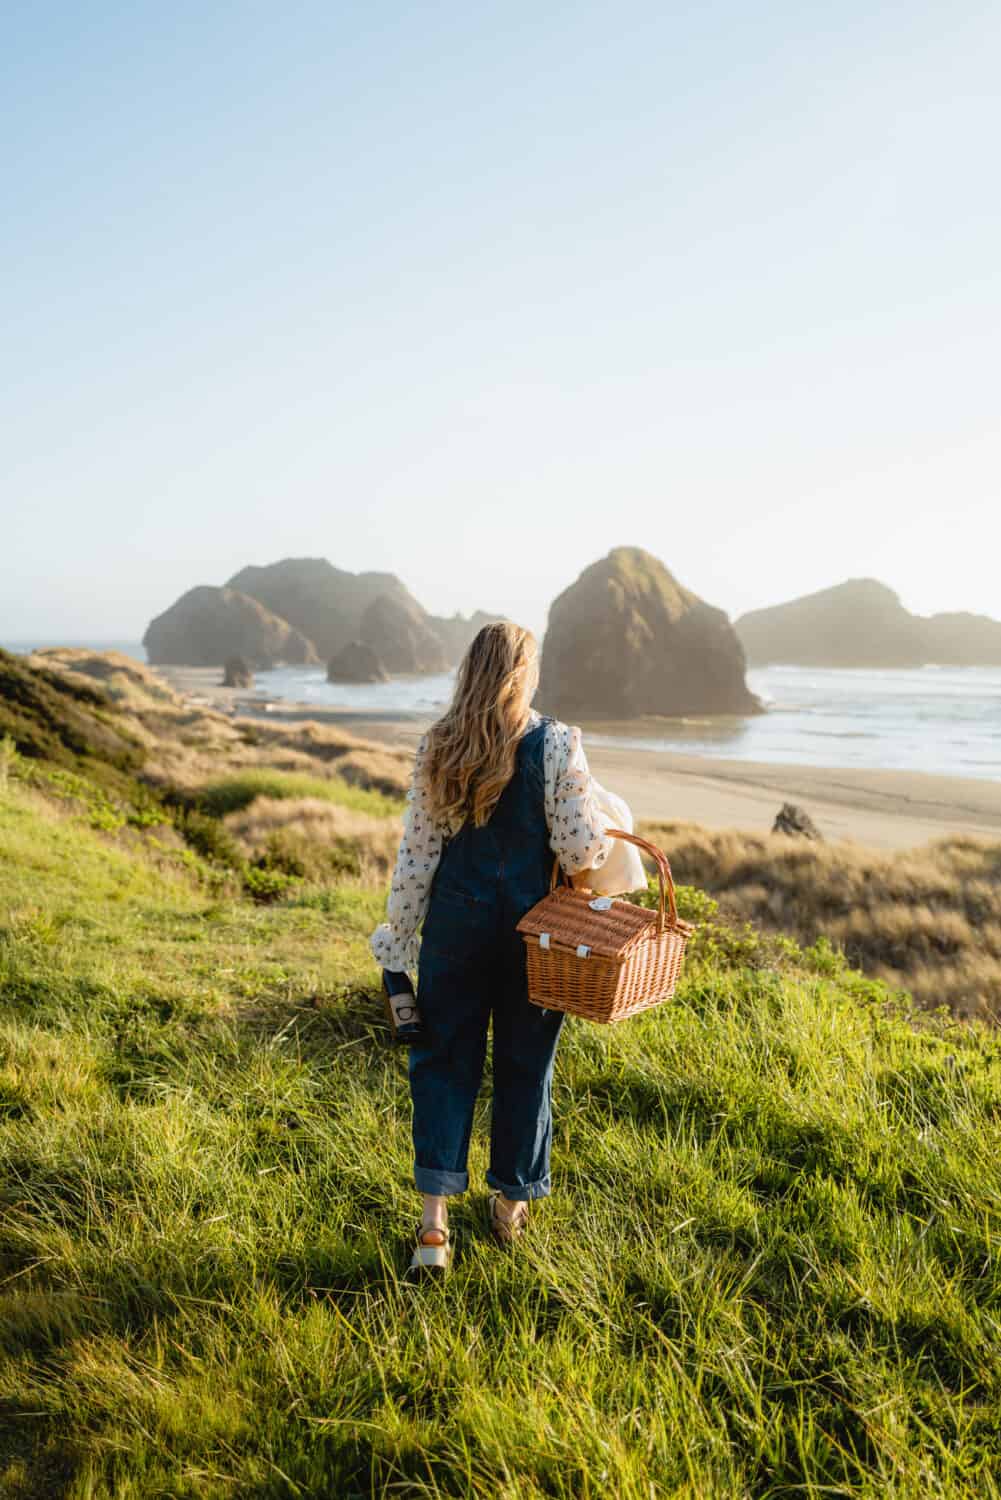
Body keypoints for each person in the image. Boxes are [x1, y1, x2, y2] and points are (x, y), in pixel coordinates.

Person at [370, 620, 614, 1271]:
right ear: (523, 673)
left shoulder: (438, 746)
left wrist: (398, 938)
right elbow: (580, 848)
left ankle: (432, 1231)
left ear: (470, 671)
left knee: (442, 1068)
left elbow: (416, 857)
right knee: (524, 1069)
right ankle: (508, 1209)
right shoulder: (558, 744)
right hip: (531, 940)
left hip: (453, 932)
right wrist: (601, 814)